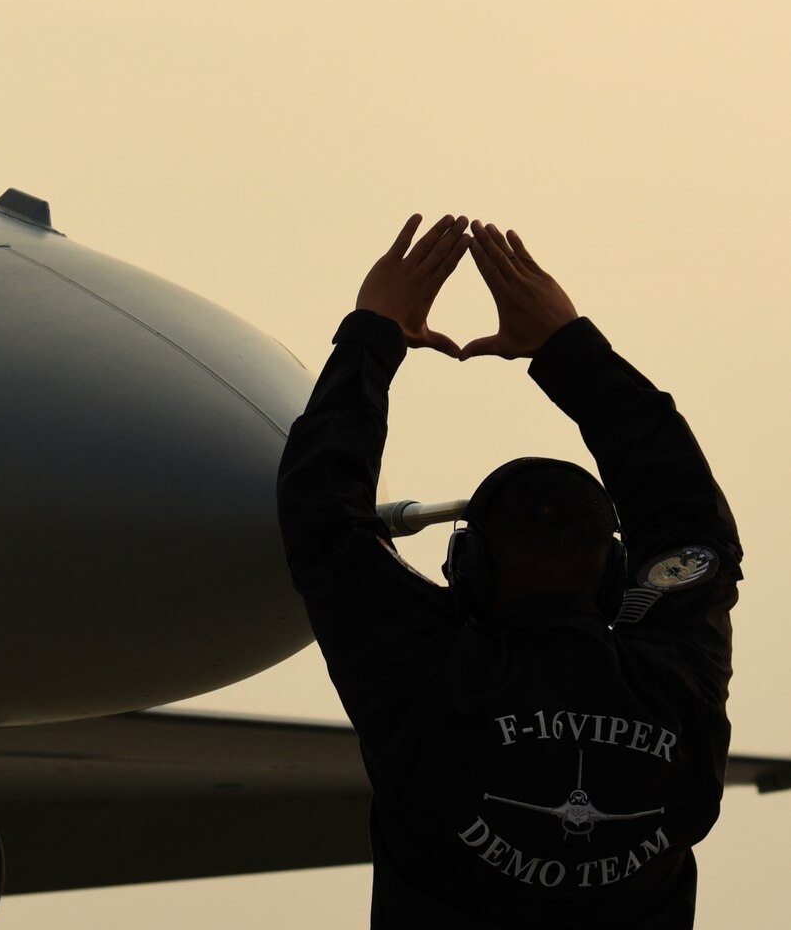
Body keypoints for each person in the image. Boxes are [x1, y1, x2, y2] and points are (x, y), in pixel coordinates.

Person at [276, 215, 741, 928]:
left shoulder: (424, 681)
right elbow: (686, 516)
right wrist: (569, 349)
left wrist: (376, 333)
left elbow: (324, 524)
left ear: (468, 572)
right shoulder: (676, 688)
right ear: (616, 578)